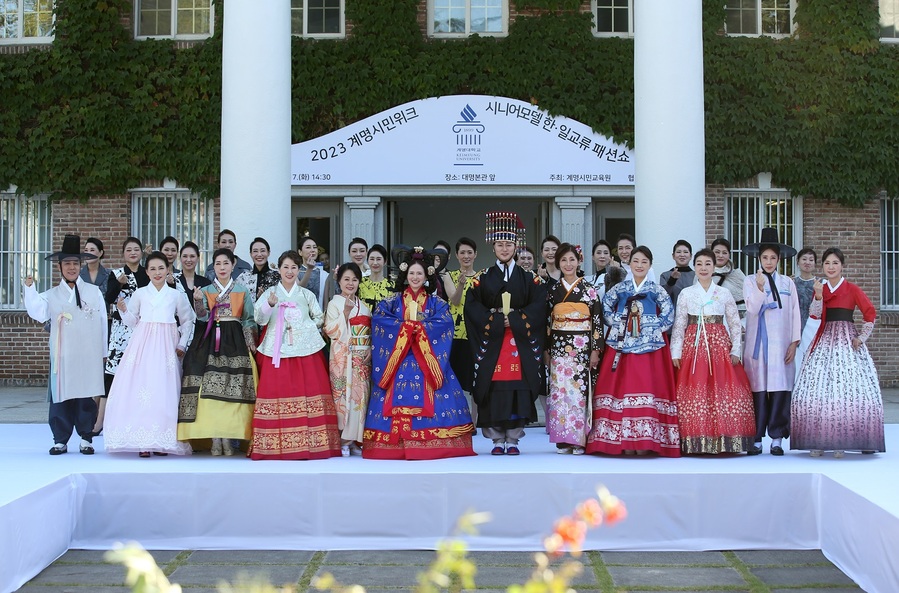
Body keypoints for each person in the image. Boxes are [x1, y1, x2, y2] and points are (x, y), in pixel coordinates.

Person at [363, 246, 475, 460]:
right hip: (399, 358)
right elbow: (379, 320)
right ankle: (395, 443)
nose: (415, 277)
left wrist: (419, 330)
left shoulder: (436, 303)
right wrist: (406, 329)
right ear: (406, 275)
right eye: (412, 273)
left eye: (419, 274)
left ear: (426, 277)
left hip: (427, 359)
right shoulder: (392, 301)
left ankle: (431, 442)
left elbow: (444, 323)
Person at [465, 212, 547, 455]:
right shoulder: (481, 279)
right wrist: (496, 320)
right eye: (500, 244)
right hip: (493, 343)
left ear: (516, 247)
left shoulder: (530, 279)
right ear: (493, 247)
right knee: (492, 387)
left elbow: (539, 307)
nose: (504, 248)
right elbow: (472, 308)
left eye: (509, 244)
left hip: (519, 342)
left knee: (518, 388)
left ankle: (513, 438)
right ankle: (496, 439)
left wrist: (514, 319)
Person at [586, 245, 680, 457]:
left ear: (650, 265)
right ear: (629, 264)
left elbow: (668, 313)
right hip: (621, 345)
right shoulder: (620, 289)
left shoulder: (656, 290)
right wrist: (618, 323)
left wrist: (653, 327)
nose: (639, 265)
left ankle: (646, 440)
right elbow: (605, 307)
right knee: (621, 387)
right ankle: (621, 440)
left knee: (647, 386)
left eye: (644, 262)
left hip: (649, 348)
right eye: (636, 261)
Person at [791, 248, 885, 457]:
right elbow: (814, 315)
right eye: (827, 263)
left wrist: (861, 337)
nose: (831, 267)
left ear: (842, 266)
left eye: (835, 263)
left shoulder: (852, 289)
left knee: (848, 389)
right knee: (818, 388)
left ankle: (844, 438)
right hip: (824, 339)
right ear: (822, 267)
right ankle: (818, 439)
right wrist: (817, 296)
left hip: (846, 340)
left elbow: (870, 313)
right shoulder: (821, 288)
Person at [103, 251, 196, 457]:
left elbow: (187, 321)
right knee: (142, 390)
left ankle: (162, 441)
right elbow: (132, 321)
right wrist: (123, 310)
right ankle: (143, 441)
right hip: (143, 345)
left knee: (164, 391)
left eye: (161, 268)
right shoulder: (140, 294)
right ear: (147, 271)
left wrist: (182, 344)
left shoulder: (175, 295)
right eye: (152, 269)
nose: (157, 272)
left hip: (167, 346)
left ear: (168, 270)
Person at [251, 250, 341, 460]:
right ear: (279, 269)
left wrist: (305, 326)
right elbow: (259, 318)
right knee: (276, 391)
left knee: (309, 388)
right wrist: (270, 305)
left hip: (305, 349)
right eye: (286, 267)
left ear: (299, 269)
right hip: (278, 350)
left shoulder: (306, 295)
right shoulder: (271, 293)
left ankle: (312, 443)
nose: (290, 271)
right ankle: (273, 444)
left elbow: (319, 317)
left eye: (294, 267)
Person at [23, 235, 107, 455]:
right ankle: (60, 439)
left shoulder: (93, 292)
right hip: (64, 355)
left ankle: (86, 437)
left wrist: (103, 352)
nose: (71, 267)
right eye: (67, 263)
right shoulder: (51, 295)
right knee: (61, 396)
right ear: (60, 266)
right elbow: (38, 312)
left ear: (81, 266)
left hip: (88, 353)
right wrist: (30, 289)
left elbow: (102, 323)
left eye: (75, 263)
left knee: (86, 394)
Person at [670, 249, 755, 455]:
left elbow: (735, 323)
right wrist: (676, 352)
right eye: (699, 264)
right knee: (695, 388)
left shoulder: (724, 293)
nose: (704, 268)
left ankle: (724, 438)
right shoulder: (686, 293)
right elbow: (680, 324)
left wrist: (736, 349)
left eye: (708, 264)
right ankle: (694, 439)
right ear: (695, 267)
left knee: (721, 388)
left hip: (718, 344)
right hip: (693, 343)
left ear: (714, 266)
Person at [179, 248, 257, 456]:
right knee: (207, 386)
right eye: (218, 264)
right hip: (211, 339)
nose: (222, 268)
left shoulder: (242, 290)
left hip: (236, 340)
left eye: (226, 263)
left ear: (233, 265)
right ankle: (215, 437)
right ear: (213, 267)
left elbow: (248, 318)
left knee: (236, 385)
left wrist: (251, 341)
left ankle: (228, 437)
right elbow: (203, 317)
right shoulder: (206, 290)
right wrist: (197, 301)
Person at [741, 228, 801, 456]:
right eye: (764, 257)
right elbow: (753, 309)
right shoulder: (749, 281)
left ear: (779, 259)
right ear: (759, 258)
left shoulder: (787, 283)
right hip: (757, 344)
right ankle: (756, 438)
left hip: (781, 344)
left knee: (779, 390)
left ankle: (777, 437)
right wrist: (758, 288)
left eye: (773, 257)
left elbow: (795, 313)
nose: (768, 261)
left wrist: (794, 342)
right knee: (757, 390)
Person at [545, 243, 603, 455]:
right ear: (558, 263)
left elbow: (596, 320)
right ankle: (562, 438)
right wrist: (546, 349)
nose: (568, 264)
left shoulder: (589, 290)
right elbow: (547, 322)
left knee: (579, 391)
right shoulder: (552, 291)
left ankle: (578, 439)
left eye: (572, 260)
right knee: (560, 391)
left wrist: (596, 350)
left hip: (582, 347)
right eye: (563, 260)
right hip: (559, 346)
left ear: (579, 261)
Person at [101, 237, 150, 435]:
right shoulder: (116, 274)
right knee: (114, 372)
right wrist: (118, 285)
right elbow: (109, 298)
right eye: (129, 249)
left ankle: (136, 418)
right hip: (121, 329)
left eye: (136, 249)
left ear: (141, 253)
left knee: (139, 373)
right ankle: (105, 419)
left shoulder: (148, 274)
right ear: (123, 253)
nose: (133, 253)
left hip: (143, 327)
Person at [325, 262, 372, 457]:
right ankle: (343, 437)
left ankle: (355, 439)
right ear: (339, 281)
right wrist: (345, 312)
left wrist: (370, 347)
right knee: (343, 394)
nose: (351, 283)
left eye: (354, 279)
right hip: (342, 355)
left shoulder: (365, 306)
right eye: (346, 279)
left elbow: (369, 332)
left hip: (362, 355)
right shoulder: (334, 303)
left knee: (359, 397)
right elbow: (330, 330)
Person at [443, 237, 479, 423]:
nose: (466, 256)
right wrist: (461, 285)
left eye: (469, 252)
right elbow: (455, 301)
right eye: (462, 252)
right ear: (456, 255)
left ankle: (473, 420)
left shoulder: (483, 276)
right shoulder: (449, 276)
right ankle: (457, 419)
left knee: (475, 380)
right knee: (454, 378)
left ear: (475, 254)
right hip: (455, 334)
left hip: (476, 335)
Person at [793, 248, 820, 381]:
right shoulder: (791, 283)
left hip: (813, 328)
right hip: (795, 327)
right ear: (798, 262)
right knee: (796, 366)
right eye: (804, 259)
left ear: (815, 263)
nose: (807, 262)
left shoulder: (821, 284)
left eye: (811, 260)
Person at [711, 238, 747, 321]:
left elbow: (748, 303)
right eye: (717, 252)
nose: (720, 255)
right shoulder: (702, 275)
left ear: (729, 254)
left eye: (724, 253)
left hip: (736, 322)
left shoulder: (737, 275)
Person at [236, 237, 281, 301]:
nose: (259, 254)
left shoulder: (277, 276)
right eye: (255, 251)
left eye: (262, 251)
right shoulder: (243, 277)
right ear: (251, 254)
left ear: (268, 253)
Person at [297, 235, 332, 310]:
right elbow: (298, 291)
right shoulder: (295, 272)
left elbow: (325, 301)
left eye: (314, 247)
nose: (312, 250)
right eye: (308, 247)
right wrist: (309, 269)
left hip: (318, 317)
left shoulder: (324, 274)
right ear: (300, 252)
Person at [659, 239, 696, 308]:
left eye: (685, 252)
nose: (682, 255)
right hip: (672, 316)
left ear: (691, 256)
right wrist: (671, 281)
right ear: (673, 256)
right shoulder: (665, 276)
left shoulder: (696, 276)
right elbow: (662, 297)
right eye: (678, 252)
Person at [358, 244, 393, 311]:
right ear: (368, 261)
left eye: (378, 259)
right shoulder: (360, 283)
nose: (375, 263)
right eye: (372, 259)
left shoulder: (392, 285)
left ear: (385, 261)